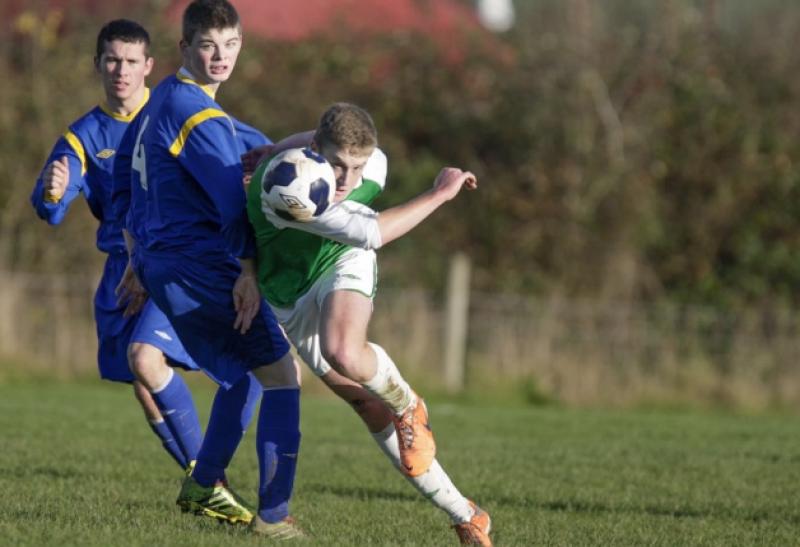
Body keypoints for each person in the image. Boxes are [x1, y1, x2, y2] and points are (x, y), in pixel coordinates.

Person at [245, 103, 492, 546]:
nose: (345, 179)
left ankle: (408, 404)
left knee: (345, 351)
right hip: (292, 296)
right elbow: (373, 229)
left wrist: (276, 144)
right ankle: (467, 514)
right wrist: (440, 192)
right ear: (316, 151)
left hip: (344, 260)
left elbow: (368, 236)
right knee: (366, 406)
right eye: (337, 164)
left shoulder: (371, 165)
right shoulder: (293, 192)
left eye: (355, 166)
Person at [114, 0, 303, 538]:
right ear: (185, 48)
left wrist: (136, 256)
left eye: (231, 45)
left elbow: (123, 185)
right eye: (208, 45)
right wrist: (248, 271)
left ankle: (205, 481)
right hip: (200, 265)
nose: (220, 57)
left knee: (242, 375)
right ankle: (273, 517)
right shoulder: (200, 116)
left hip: (162, 265)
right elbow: (229, 204)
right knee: (281, 374)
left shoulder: (156, 104)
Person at [30, 19, 211, 476]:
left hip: (173, 263)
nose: (121, 70)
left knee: (147, 361)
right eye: (112, 59)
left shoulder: (175, 111)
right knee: (142, 381)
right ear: (98, 64)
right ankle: (201, 475)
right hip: (123, 270)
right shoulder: (83, 136)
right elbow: (50, 210)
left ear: (149, 65)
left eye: (131, 61)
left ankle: (213, 474)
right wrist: (53, 190)